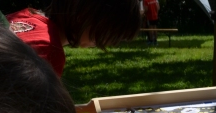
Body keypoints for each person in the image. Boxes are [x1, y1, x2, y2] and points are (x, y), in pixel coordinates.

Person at [7, 0, 141, 76]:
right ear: (85, 15)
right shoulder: (48, 51)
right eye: (112, 31)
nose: (110, 42)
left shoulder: (23, 16)